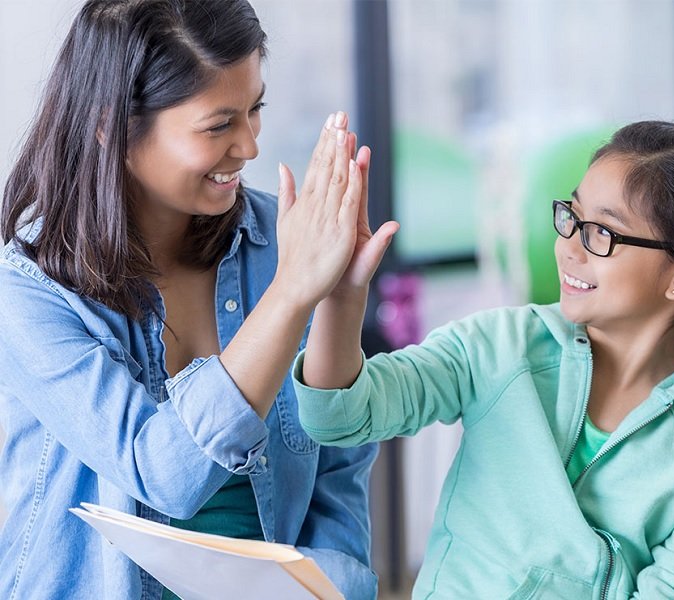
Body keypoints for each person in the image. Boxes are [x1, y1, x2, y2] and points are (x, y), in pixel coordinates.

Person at [293, 120, 674, 598]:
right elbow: (339, 417)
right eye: (571, 217)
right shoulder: (502, 344)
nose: (568, 248)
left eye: (602, 233)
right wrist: (340, 295)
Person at [0, 1, 392, 598]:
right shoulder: (29, 287)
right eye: (219, 125)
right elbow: (162, 472)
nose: (250, 147)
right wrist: (291, 295)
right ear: (114, 126)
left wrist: (339, 300)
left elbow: (336, 464)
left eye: (256, 109)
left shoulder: (283, 238)